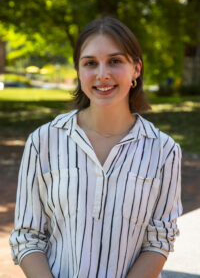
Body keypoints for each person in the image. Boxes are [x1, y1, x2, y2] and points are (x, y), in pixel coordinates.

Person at [9, 17, 182, 278]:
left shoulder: (164, 151)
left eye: (115, 61)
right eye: (90, 63)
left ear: (136, 69)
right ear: (79, 71)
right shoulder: (42, 142)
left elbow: (158, 241)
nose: (103, 74)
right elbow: (27, 235)